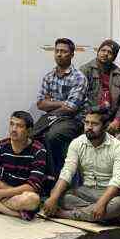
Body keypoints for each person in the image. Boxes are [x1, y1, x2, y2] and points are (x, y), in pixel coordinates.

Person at [42, 107, 120, 223]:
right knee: (59, 196)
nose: (89, 127)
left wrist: (101, 203)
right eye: (87, 123)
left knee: (119, 205)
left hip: (109, 194)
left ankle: (64, 214)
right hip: (85, 191)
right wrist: (53, 198)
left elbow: (118, 180)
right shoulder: (77, 143)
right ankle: (101, 216)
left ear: (105, 126)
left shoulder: (118, 147)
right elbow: (67, 171)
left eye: (94, 124)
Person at [34, 38, 88, 179]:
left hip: (73, 120)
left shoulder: (79, 77)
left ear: (71, 54)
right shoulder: (49, 77)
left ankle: (56, 178)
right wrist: (61, 103)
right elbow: (40, 104)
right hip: (53, 117)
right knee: (31, 136)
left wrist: (51, 103)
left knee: (51, 136)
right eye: (57, 51)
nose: (59, 54)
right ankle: (40, 178)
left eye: (63, 51)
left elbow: (71, 108)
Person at [79, 40, 120, 135]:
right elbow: (80, 99)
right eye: (103, 50)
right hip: (91, 115)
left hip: (112, 116)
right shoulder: (85, 70)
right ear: (98, 51)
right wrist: (92, 115)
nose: (105, 54)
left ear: (114, 57)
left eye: (110, 52)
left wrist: (117, 121)